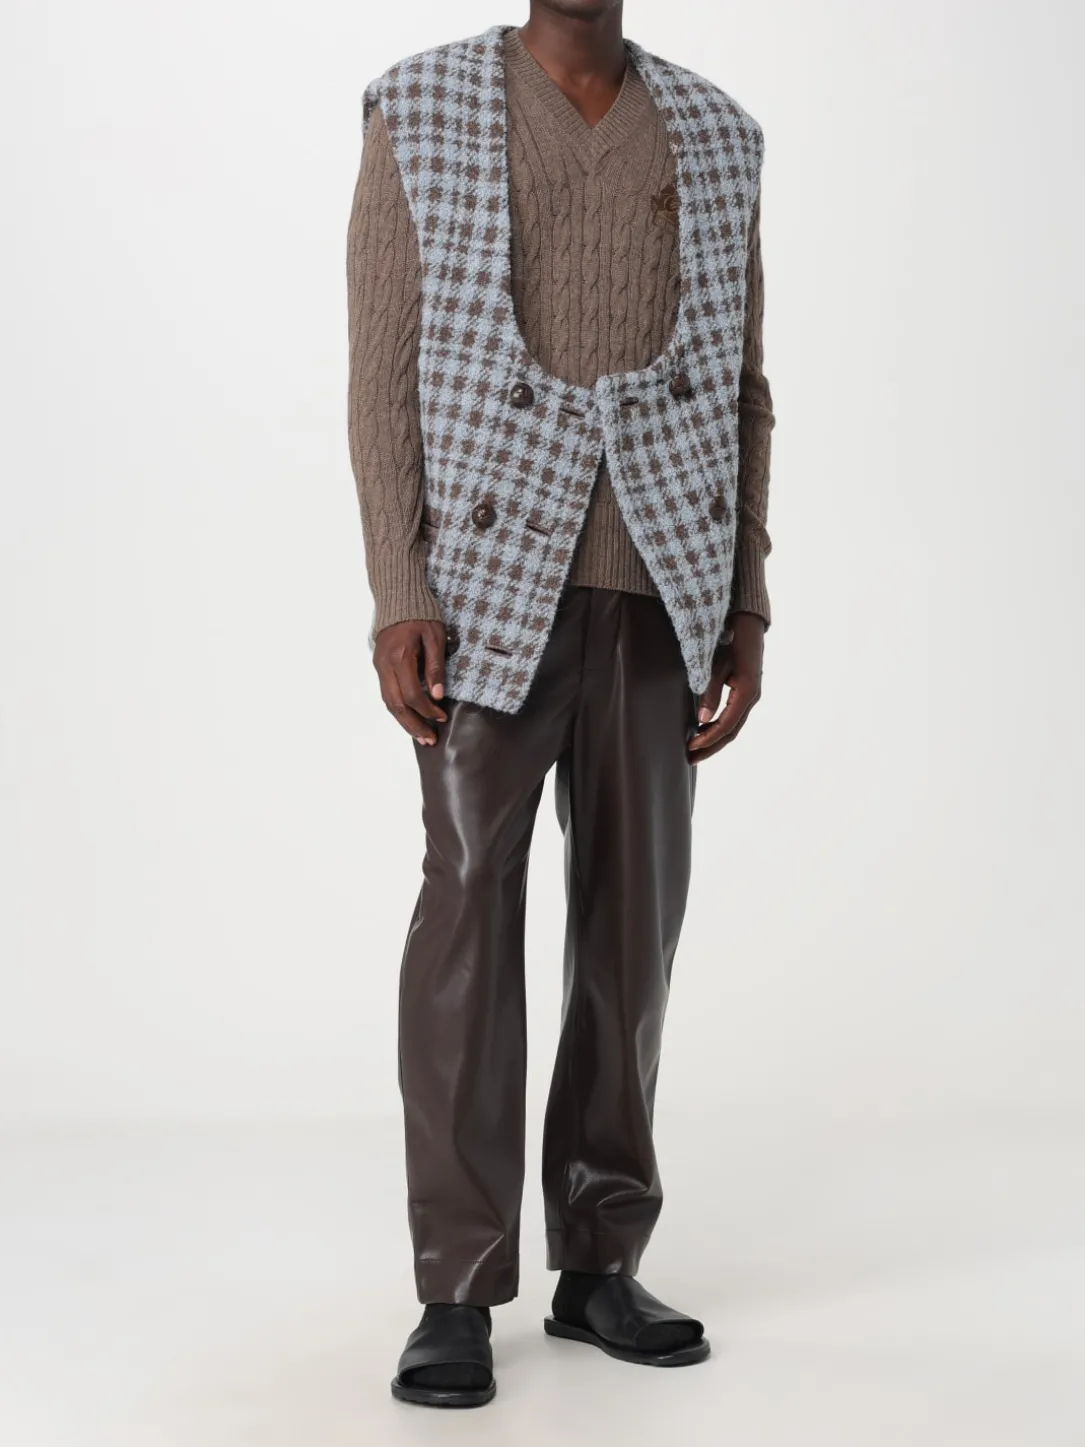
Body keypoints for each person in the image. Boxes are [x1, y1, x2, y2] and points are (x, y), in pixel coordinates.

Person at [346, 0, 773, 1409]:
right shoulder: (421, 108)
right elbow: (384, 368)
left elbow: (742, 389)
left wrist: (747, 596)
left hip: (662, 580)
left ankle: (599, 1259)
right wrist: (399, 585)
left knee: (633, 924)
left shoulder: (716, 134)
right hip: (483, 586)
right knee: (469, 912)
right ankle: (456, 1286)